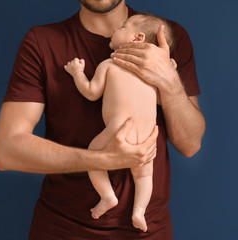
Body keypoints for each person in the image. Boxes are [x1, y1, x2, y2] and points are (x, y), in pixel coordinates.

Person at [0, 0, 206, 239]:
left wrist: (169, 79)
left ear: (137, 37)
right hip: (61, 230)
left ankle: (135, 210)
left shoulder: (164, 37)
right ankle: (131, 206)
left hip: (148, 234)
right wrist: (104, 158)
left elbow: (191, 144)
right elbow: (6, 150)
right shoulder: (42, 41)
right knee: (142, 175)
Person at [64, 13, 174, 232]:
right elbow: (163, 100)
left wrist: (77, 73)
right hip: (145, 136)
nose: (115, 29)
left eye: (123, 27)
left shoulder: (109, 64)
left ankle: (107, 196)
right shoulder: (151, 75)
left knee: (93, 158)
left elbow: (91, 92)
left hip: (117, 130)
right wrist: (169, 72)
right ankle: (139, 211)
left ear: (137, 38)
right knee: (144, 175)